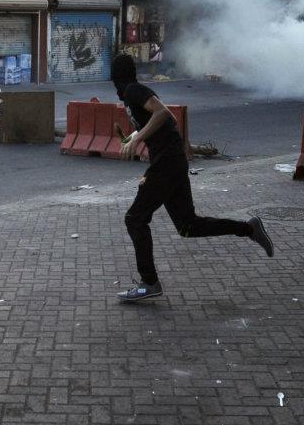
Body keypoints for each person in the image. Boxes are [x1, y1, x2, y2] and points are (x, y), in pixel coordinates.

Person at [110, 54, 275, 302]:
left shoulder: (133, 90)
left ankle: (149, 282)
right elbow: (166, 119)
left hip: (167, 163)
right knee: (189, 226)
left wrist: (138, 138)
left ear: (116, 77)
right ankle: (248, 228)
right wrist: (134, 136)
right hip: (172, 162)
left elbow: (164, 113)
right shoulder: (132, 94)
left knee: (135, 219)